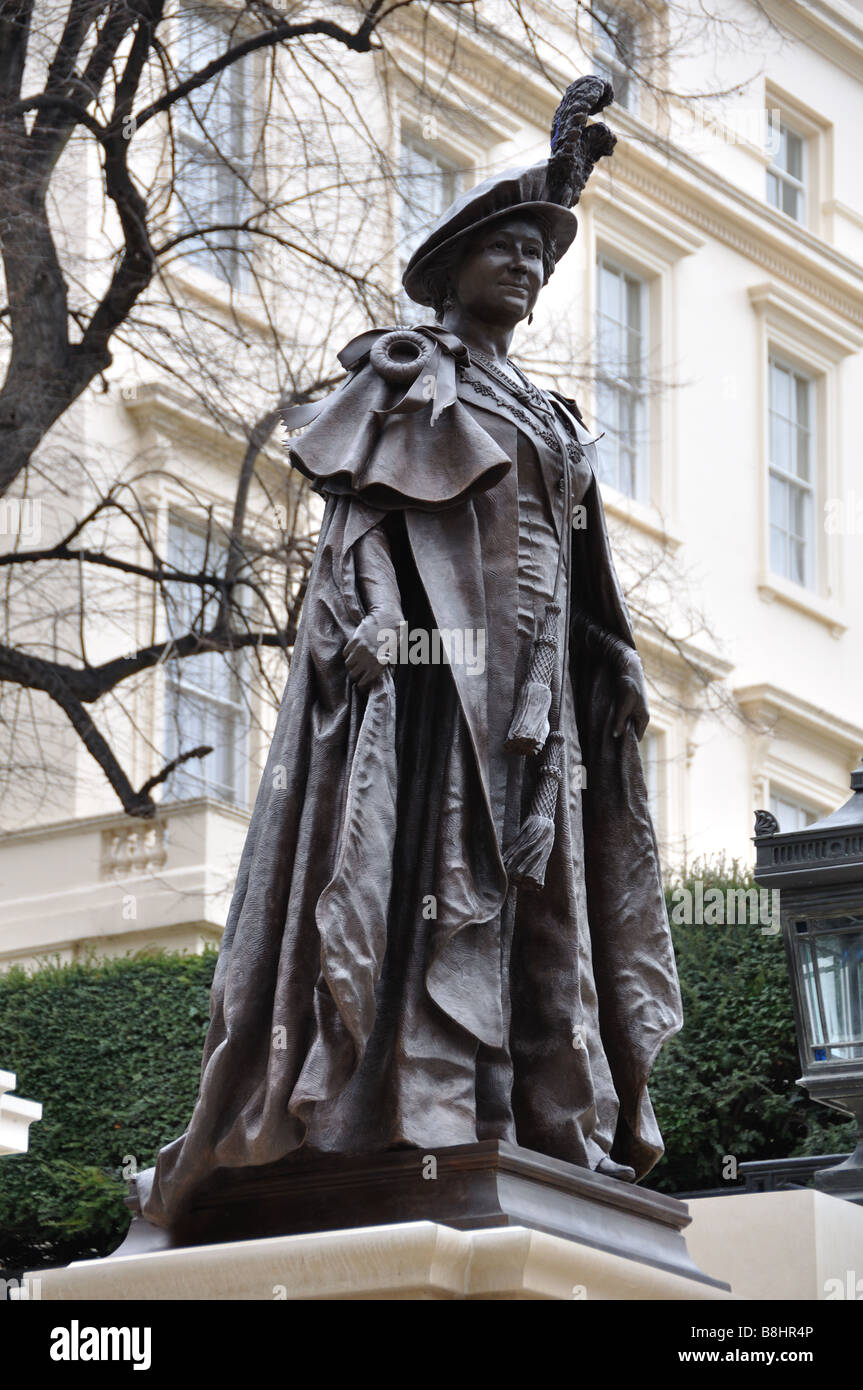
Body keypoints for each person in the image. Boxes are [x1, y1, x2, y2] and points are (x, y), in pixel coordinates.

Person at [136, 76, 682, 1231]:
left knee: (547, 894)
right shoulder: (405, 377)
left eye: (543, 252)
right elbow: (360, 534)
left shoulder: (552, 416)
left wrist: (602, 659)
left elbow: (572, 568)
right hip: (435, 682)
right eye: (508, 245)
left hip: (536, 691)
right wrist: (381, 630)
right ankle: (418, 1113)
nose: (529, 267)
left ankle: (539, 1120)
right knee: (430, 883)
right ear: (452, 262)